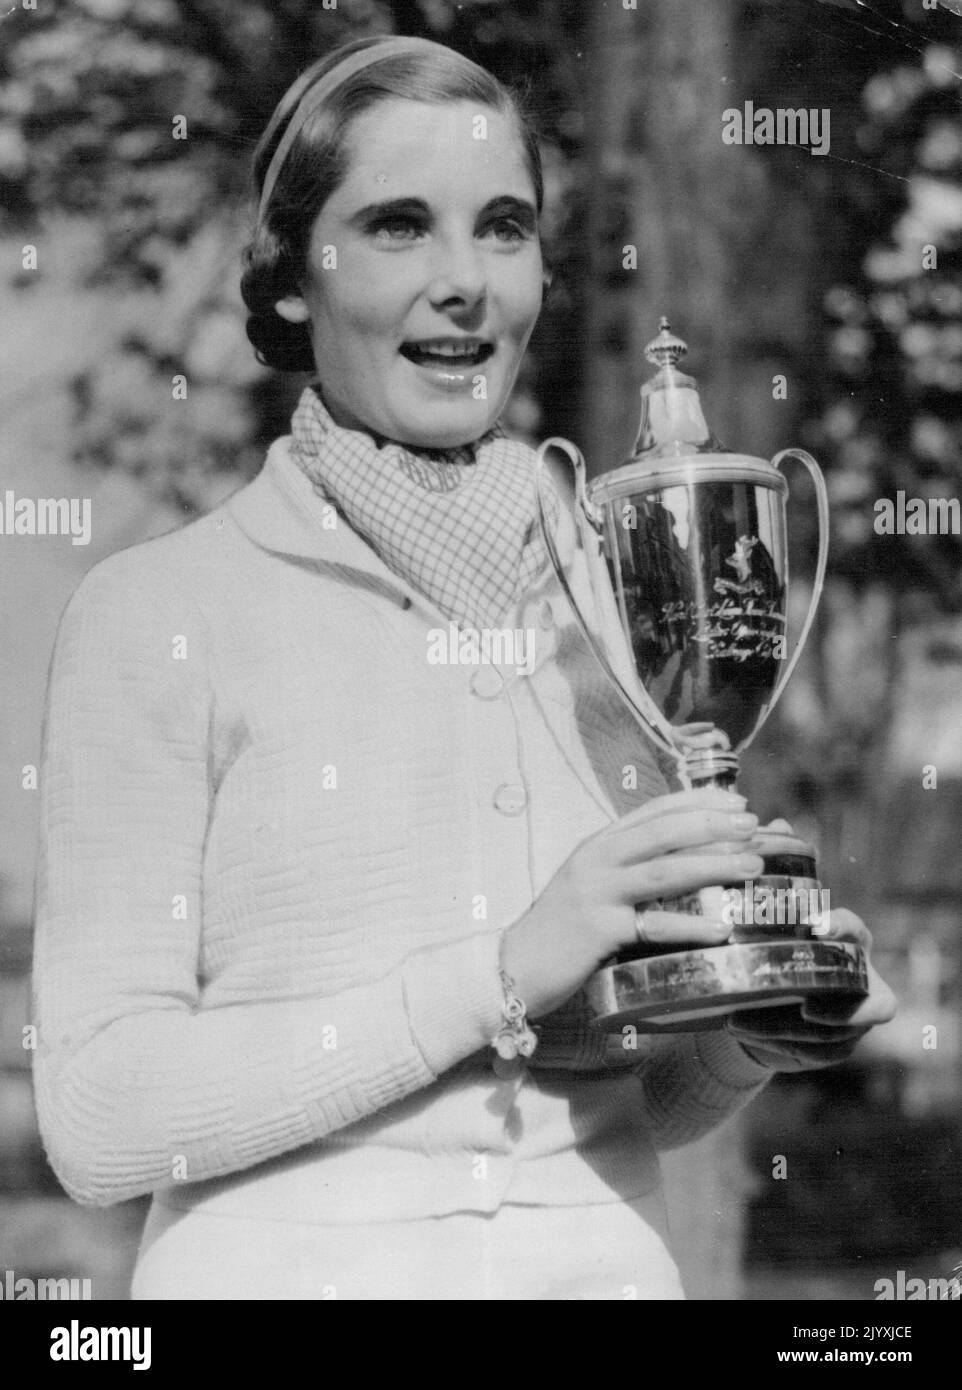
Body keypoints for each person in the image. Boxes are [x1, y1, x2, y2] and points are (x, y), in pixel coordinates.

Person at [32, 33, 895, 1301]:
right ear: (287, 281)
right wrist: (492, 972)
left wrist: (742, 1038)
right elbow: (100, 1118)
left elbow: (597, 1101)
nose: (463, 283)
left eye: (500, 227)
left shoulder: (625, 610)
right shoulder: (160, 610)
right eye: (395, 227)